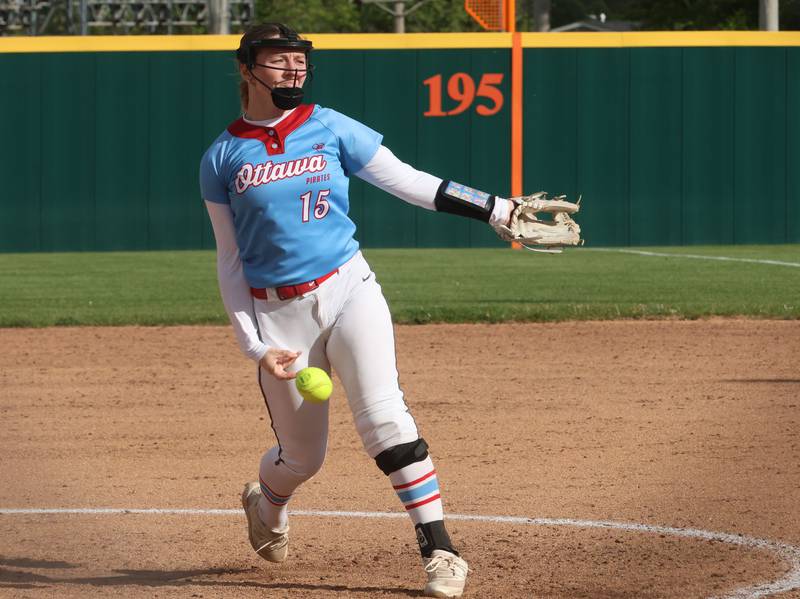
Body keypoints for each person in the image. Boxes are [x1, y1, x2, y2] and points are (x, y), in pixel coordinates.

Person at [200, 23, 516, 598]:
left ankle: (441, 550)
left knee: (385, 418)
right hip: (279, 319)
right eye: (278, 61)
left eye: (299, 61)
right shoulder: (223, 156)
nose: (293, 70)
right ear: (247, 68)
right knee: (301, 458)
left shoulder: (328, 125)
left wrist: (492, 207)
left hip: (349, 288)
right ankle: (265, 502)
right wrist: (256, 345)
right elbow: (229, 263)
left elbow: (408, 181)